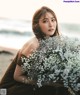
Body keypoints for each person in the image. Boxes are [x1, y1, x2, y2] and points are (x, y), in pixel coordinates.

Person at [0, 6, 72, 95]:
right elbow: (17, 76)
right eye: (45, 21)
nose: (51, 24)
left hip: (27, 83)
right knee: (50, 89)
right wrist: (44, 82)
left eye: (53, 20)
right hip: (8, 89)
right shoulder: (33, 46)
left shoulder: (51, 42)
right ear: (36, 25)